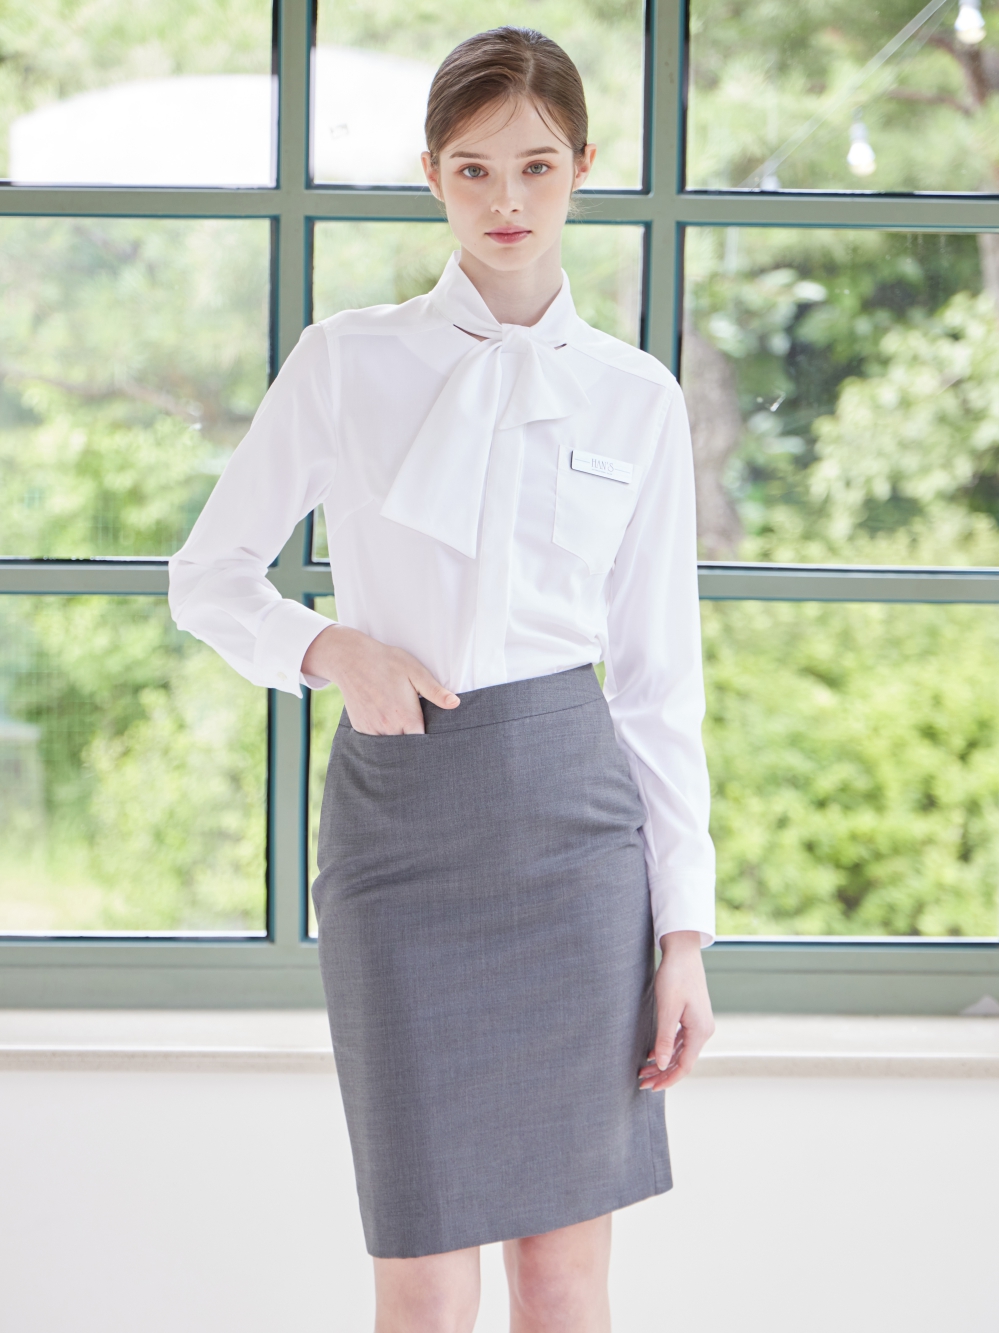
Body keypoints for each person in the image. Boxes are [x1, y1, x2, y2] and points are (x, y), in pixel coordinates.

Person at [169, 25, 716, 1333]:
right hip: (402, 835)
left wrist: (684, 937)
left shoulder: (637, 397)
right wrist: (332, 649)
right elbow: (209, 577)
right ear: (431, 175)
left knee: (563, 1276)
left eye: (536, 166)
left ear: (583, 166)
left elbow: (657, 685)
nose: (507, 200)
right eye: (473, 170)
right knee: (420, 1276)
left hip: (577, 845)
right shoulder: (347, 361)